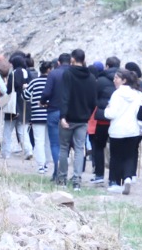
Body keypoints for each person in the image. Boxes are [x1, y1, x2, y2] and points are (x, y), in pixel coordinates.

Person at [51, 50, 97, 187]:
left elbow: (65, 96)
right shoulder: (90, 77)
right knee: (79, 149)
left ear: (72, 59)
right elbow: (93, 100)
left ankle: (62, 179)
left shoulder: (68, 74)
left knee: (64, 148)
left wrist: (63, 116)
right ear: (84, 59)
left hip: (69, 117)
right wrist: (87, 114)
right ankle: (77, 180)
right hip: (83, 119)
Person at [105, 69, 142, 193]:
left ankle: (115, 182)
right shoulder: (139, 95)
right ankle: (128, 177)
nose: (114, 80)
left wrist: (106, 110)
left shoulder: (117, 94)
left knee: (116, 157)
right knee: (129, 156)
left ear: (124, 80)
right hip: (133, 130)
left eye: (117, 78)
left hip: (117, 130)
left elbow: (111, 114)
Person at [89, 56, 119, 184]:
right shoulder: (124, 80)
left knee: (99, 146)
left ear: (107, 66)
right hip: (118, 119)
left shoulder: (100, 80)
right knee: (116, 150)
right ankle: (114, 178)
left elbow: (93, 98)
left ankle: (99, 174)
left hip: (102, 118)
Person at [44, 52, 72, 179]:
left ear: (58, 63)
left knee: (55, 144)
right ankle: (73, 174)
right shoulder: (74, 73)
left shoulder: (53, 74)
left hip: (54, 110)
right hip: (72, 113)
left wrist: (42, 102)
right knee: (69, 145)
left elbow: (46, 93)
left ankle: (57, 172)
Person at [5, 54, 35, 161]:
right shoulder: (27, 73)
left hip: (13, 106)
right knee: (23, 130)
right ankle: (28, 151)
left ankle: (6, 153)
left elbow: (9, 91)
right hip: (26, 105)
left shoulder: (13, 74)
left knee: (8, 130)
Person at [24, 61, 51, 173]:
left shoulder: (34, 82)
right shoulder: (52, 82)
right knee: (48, 141)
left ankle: (40, 165)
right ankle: (47, 163)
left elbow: (25, 96)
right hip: (50, 115)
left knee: (38, 140)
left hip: (36, 115)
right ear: (49, 70)